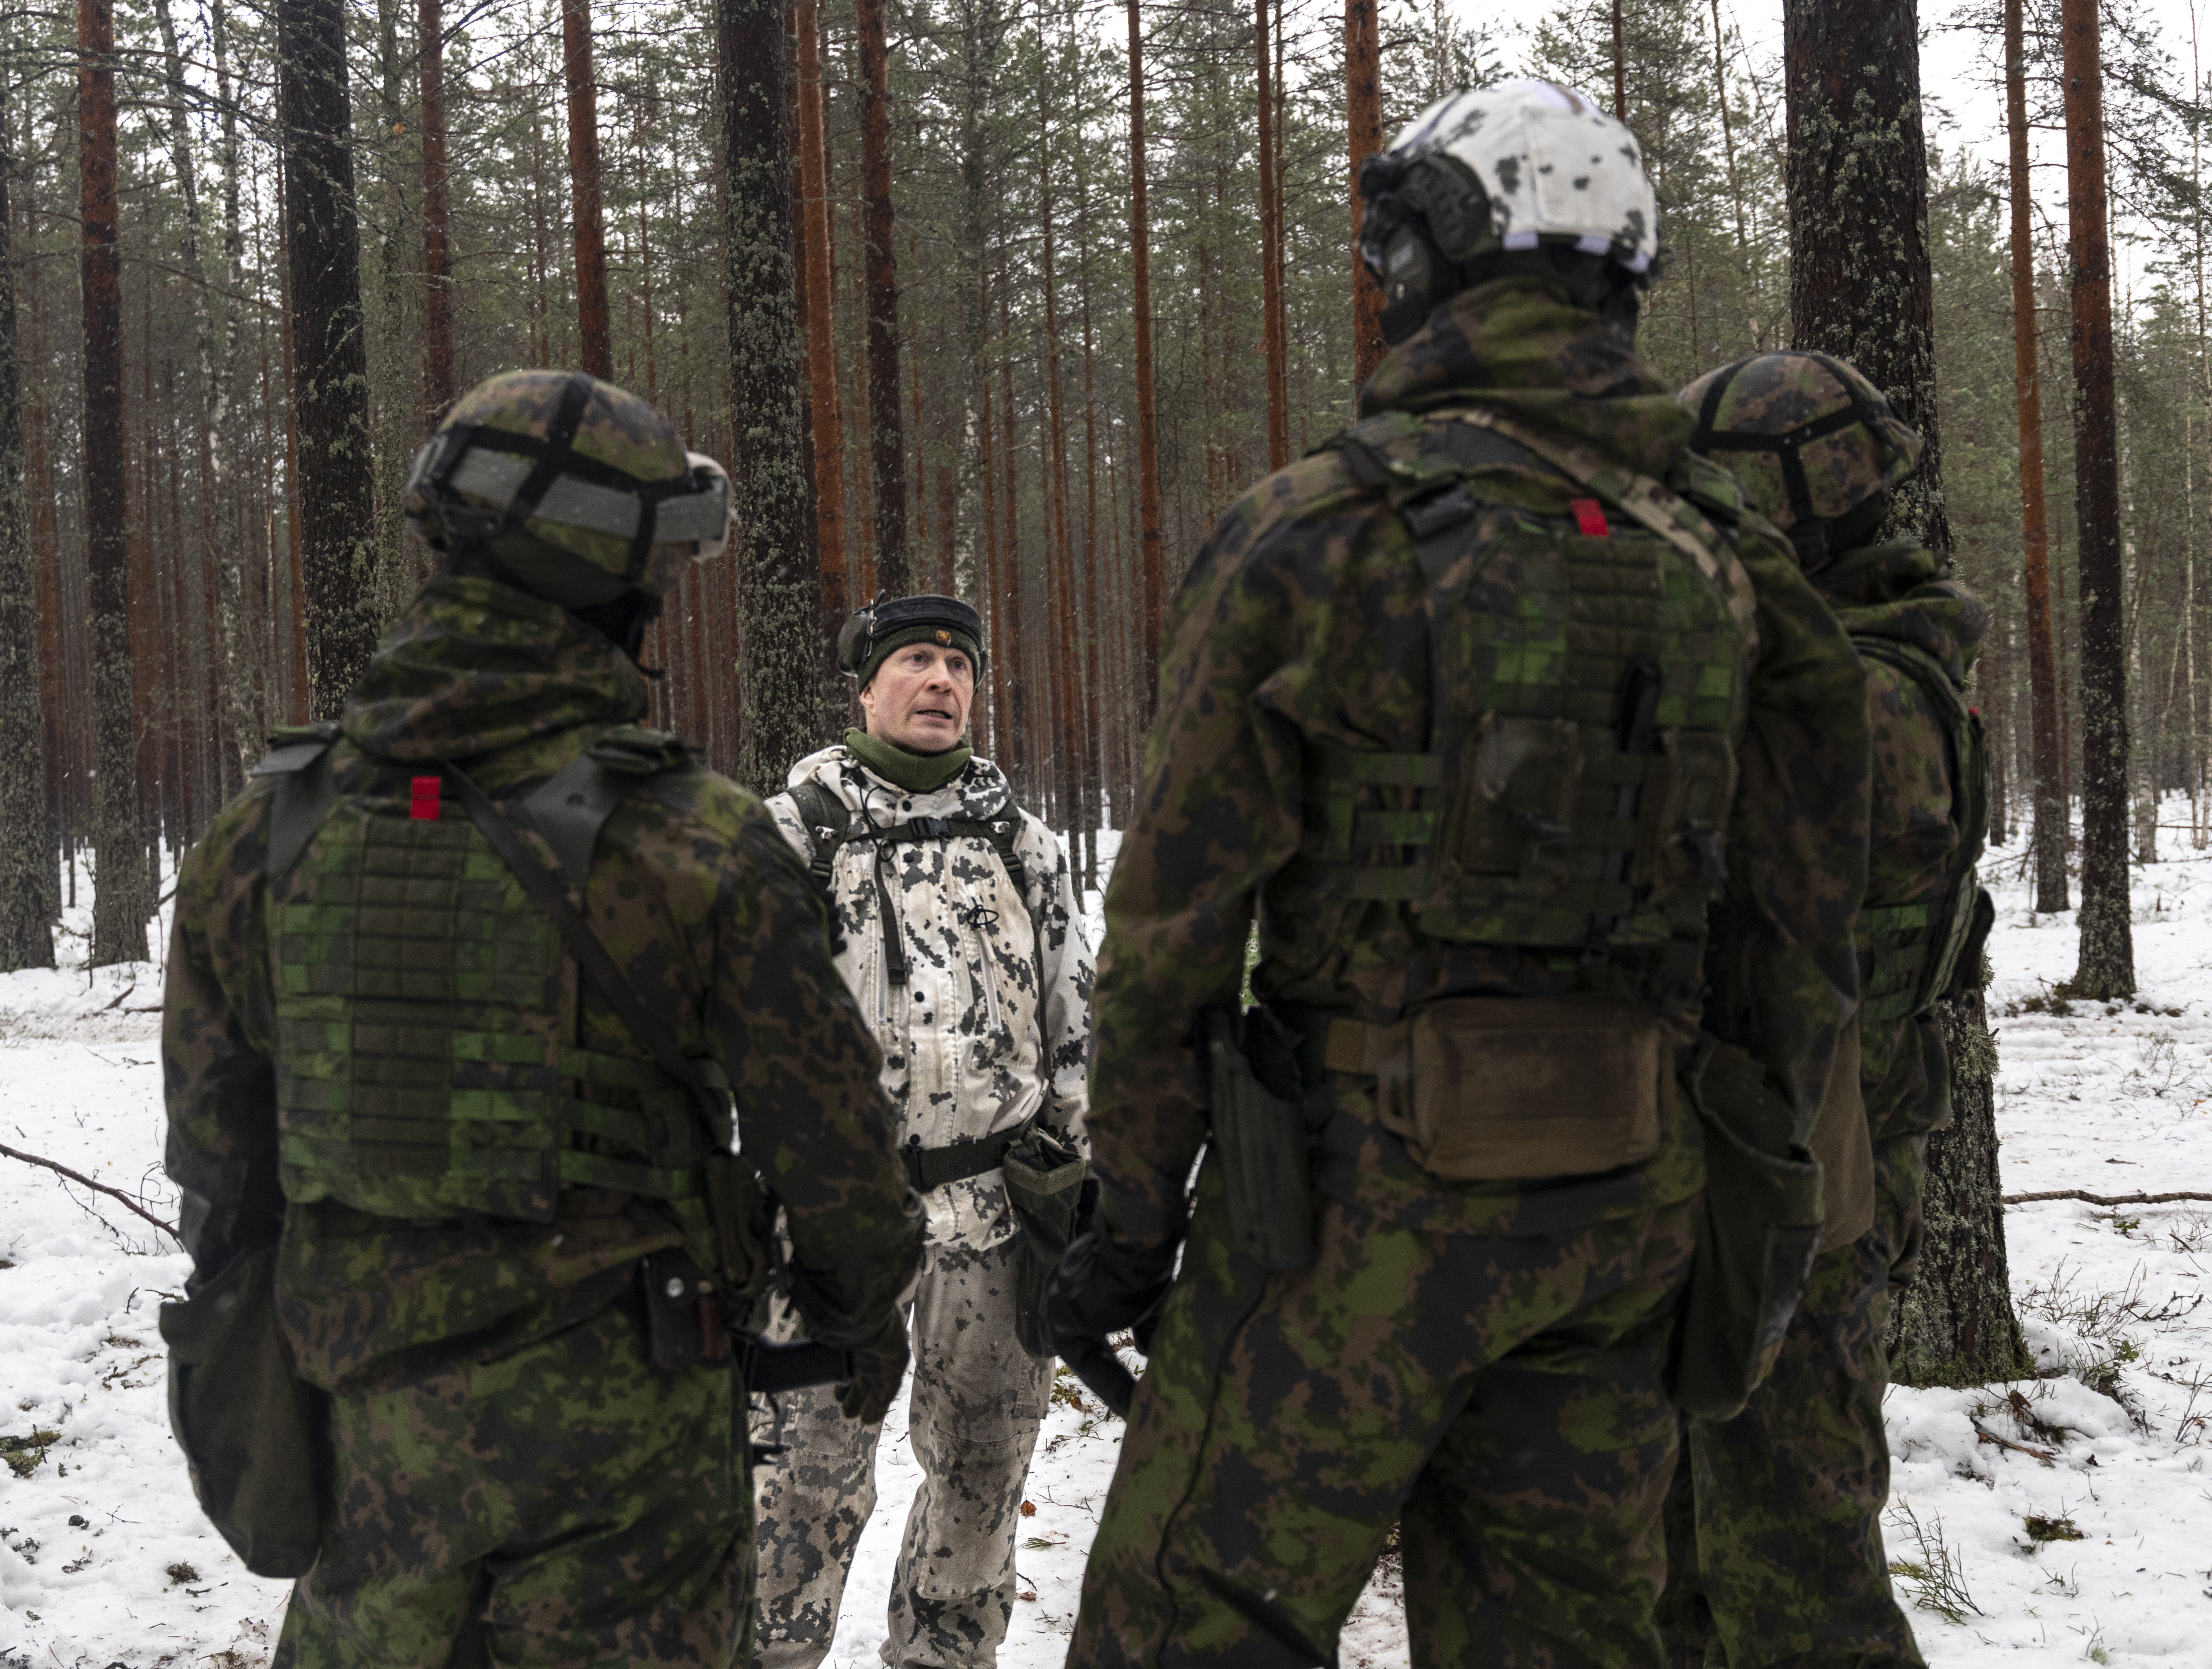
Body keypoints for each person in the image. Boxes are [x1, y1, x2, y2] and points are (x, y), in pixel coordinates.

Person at [1045, 79, 1872, 1667]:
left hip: (1346, 1223)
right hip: (1621, 1211)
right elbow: (1794, 945)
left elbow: (1165, 934)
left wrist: (1132, 1219)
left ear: (1435, 263)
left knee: (1183, 1624)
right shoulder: (1734, 566)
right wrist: (1742, 1202)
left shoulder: (1313, 535)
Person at [161, 368, 923, 1669]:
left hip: (367, 1454)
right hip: (633, 1481)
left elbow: (220, 1178)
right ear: (617, 579)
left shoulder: (260, 835)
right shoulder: (698, 841)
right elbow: (839, 1160)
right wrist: (860, 1313)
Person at [1659, 352, 1990, 1669]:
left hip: (1811, 1192)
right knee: (1672, 1567)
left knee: (1795, 1569)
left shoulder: (1885, 687)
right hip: (1738, 1160)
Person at [749, 592, 1094, 1669]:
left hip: (997, 1218)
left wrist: (1081, 1177)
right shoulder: (794, 835)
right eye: (915, 661)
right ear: (864, 688)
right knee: (802, 1481)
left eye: (959, 664)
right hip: (832, 1227)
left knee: (985, 1474)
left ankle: (945, 1659)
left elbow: (1075, 1020)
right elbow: (737, 1037)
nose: (942, 680)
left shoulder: (1022, 843)